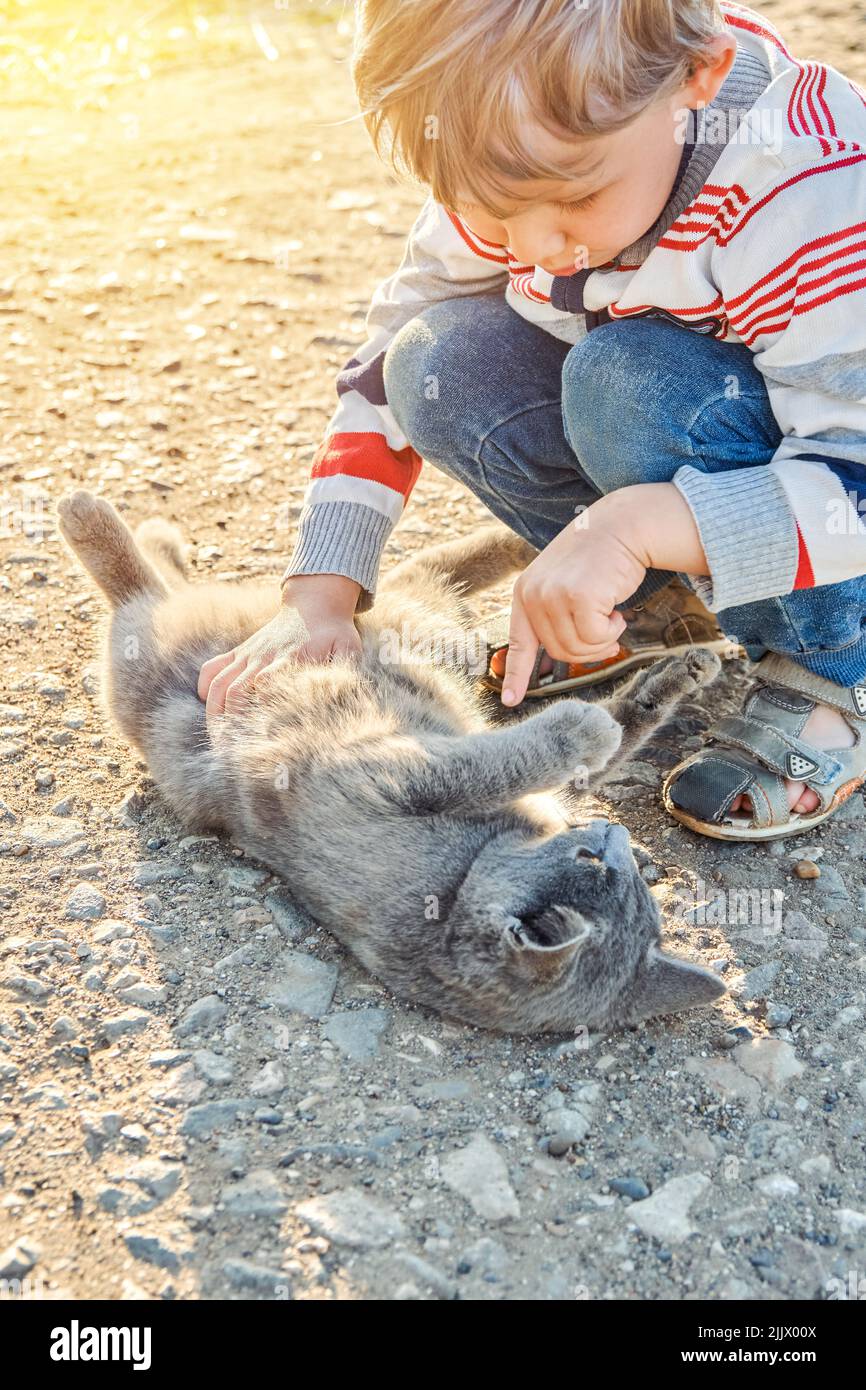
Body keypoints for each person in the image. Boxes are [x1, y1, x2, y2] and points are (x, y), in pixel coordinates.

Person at [199, 0, 866, 842]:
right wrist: (321, 592)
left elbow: (855, 485)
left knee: (623, 376)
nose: (537, 248)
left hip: (830, 482)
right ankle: (648, 608)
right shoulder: (520, 151)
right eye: (490, 211)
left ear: (696, 76)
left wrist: (628, 527)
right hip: (698, 451)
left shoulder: (808, 183)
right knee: (434, 362)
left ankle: (834, 669)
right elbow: (380, 365)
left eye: (575, 199)